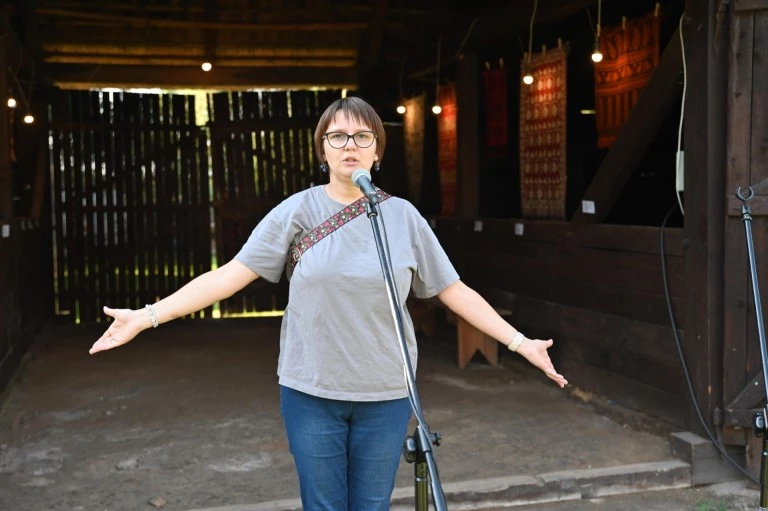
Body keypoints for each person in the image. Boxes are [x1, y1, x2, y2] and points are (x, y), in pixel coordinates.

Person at [89, 96, 568, 510]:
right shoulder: (297, 211)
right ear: (322, 150)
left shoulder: (402, 217)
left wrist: (520, 342)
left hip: (386, 394)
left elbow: (453, 290)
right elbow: (230, 276)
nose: (350, 146)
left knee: (372, 505)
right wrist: (148, 316)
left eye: (362, 136)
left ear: (378, 150)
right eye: (337, 137)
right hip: (311, 391)